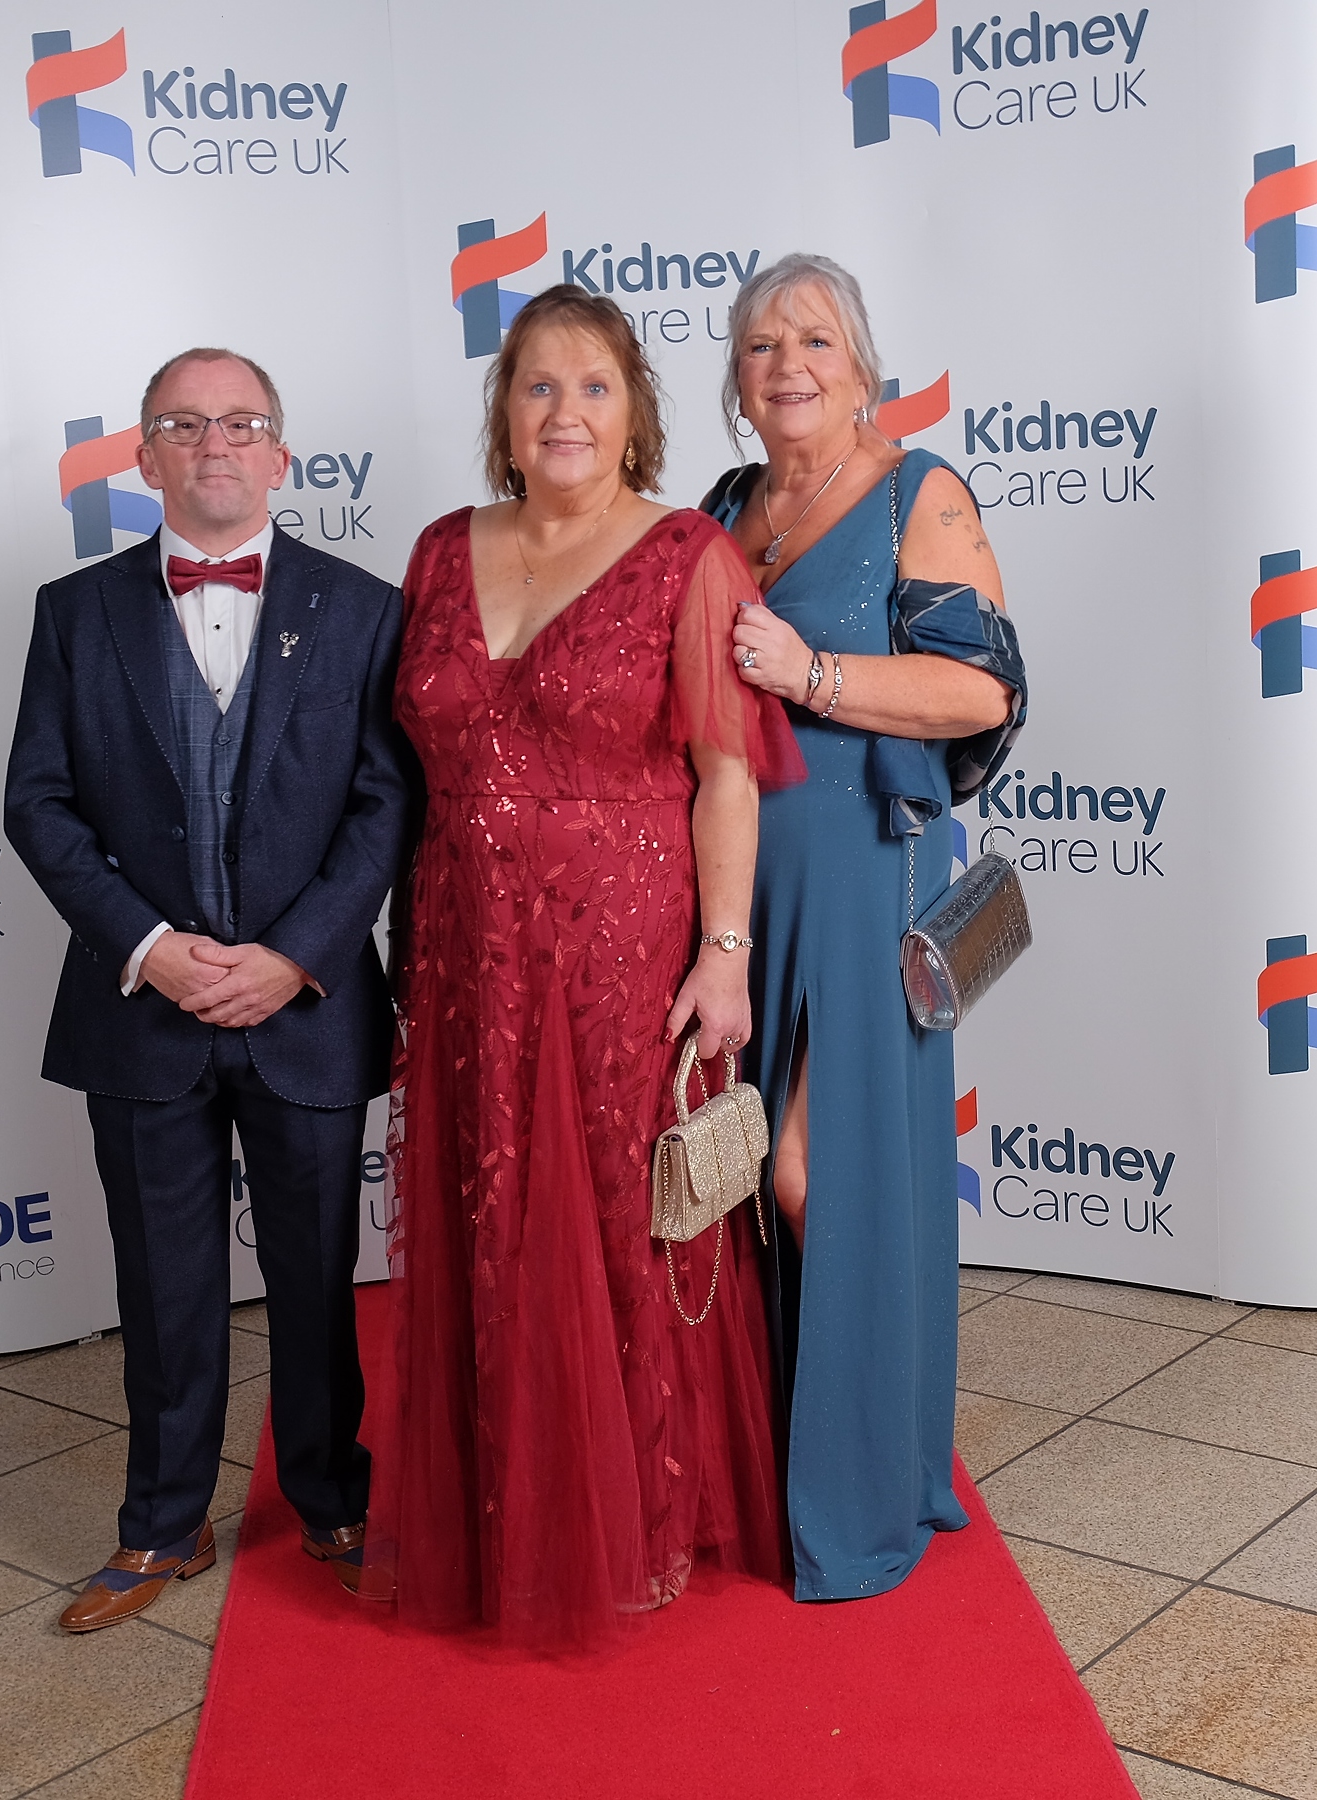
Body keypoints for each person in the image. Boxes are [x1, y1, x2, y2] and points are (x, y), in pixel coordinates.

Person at [361, 287, 802, 1651]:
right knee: (481, 1215)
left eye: (593, 387)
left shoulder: (685, 555)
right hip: (455, 946)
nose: (563, 411)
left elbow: (727, 773)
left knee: (613, 1221)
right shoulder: (439, 552)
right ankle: (499, 1507)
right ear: (502, 413)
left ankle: (633, 1521)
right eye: (536, 387)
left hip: (619, 947)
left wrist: (722, 956)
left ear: (635, 414)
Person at [4, 347, 411, 1631]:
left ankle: (335, 1503)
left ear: (281, 456)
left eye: (240, 423)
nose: (214, 444)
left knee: (315, 1281)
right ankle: (162, 1526)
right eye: (184, 424)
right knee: (162, 1285)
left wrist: (293, 956)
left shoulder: (363, 608)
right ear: (144, 456)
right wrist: (154, 948)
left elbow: (387, 802)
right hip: (139, 1010)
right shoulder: (74, 613)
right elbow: (39, 804)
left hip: (309, 1009)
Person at [704, 254, 1027, 1601]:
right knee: (741, 1188)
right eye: (763, 343)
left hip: (858, 882)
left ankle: (854, 1502)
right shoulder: (724, 504)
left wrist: (811, 673)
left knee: (812, 1178)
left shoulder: (918, 490)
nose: (789, 362)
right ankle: (781, 1467)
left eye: (816, 339)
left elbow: (979, 694)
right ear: (734, 375)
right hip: (732, 889)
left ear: (864, 366)